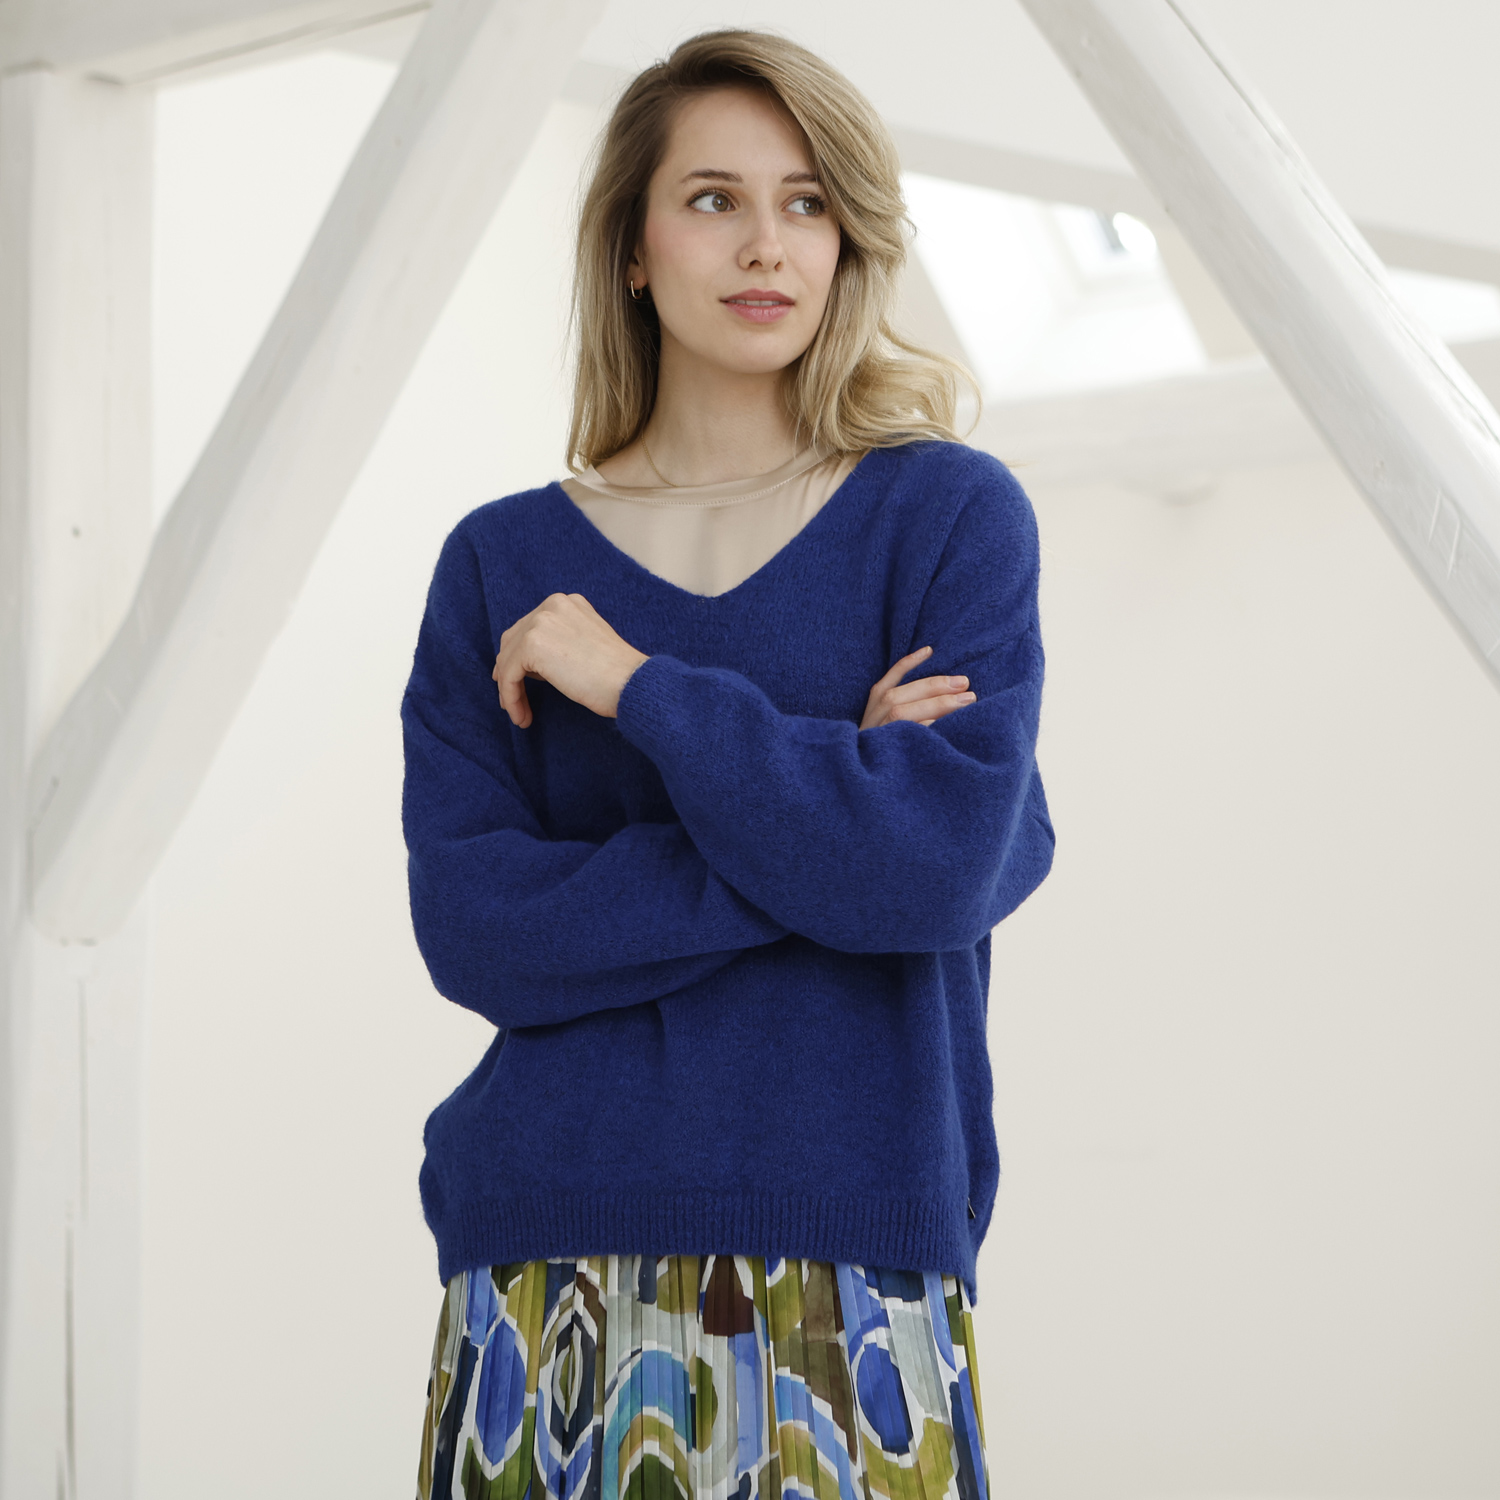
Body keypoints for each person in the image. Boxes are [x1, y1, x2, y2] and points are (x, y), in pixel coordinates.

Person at [401, 28, 1054, 1500]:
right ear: (632, 248)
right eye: (714, 199)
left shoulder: (947, 517)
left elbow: (944, 866)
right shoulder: (501, 564)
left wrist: (638, 690)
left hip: (857, 1268)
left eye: (808, 202)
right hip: (543, 1266)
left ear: (848, 239)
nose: (768, 243)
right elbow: (479, 933)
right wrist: (836, 805)